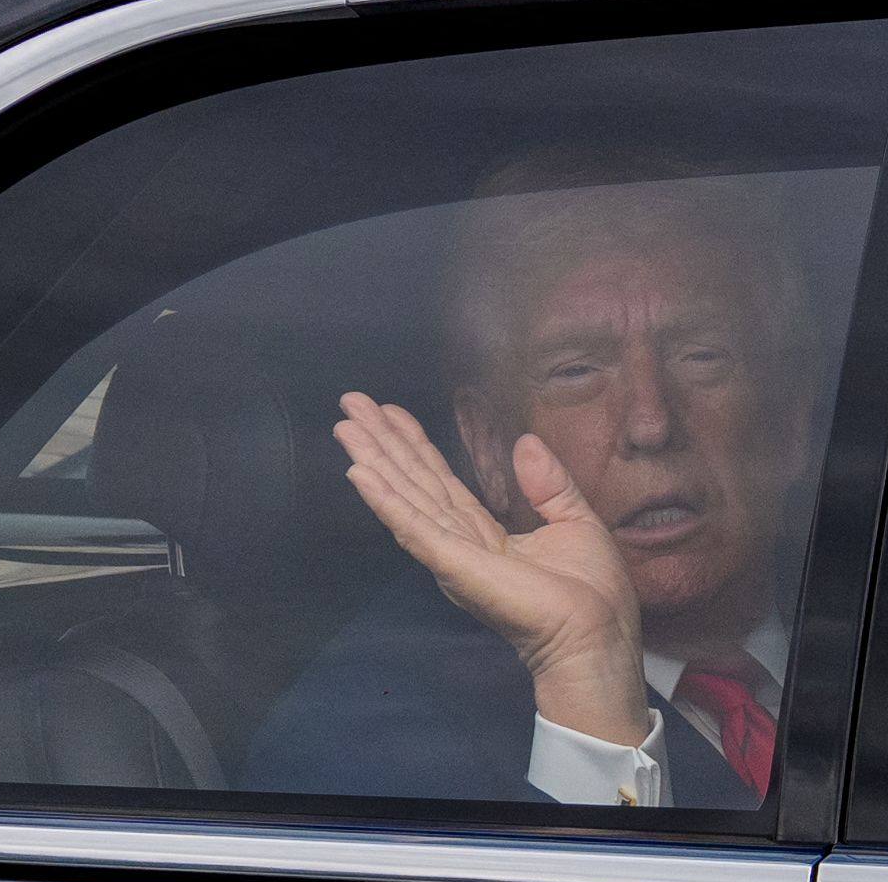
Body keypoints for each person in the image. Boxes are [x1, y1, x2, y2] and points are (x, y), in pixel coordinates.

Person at [243, 161, 817, 809]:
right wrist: (586, 677)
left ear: (791, 419)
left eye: (701, 356)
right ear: (488, 449)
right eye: (575, 371)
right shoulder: (363, 743)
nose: (651, 422)